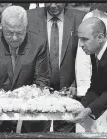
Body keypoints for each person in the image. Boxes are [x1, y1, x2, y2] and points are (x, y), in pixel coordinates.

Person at [0, 5, 50, 133]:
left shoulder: (39, 43)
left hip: (30, 114)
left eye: (20, 32)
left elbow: (42, 80)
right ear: (2, 27)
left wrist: (25, 103)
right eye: (9, 33)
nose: (15, 38)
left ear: (26, 27)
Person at [27, 3, 86, 132]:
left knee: (65, 133)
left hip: (68, 89)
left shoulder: (80, 18)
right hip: (38, 89)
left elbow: (84, 56)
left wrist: (77, 84)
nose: (53, 5)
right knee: (37, 132)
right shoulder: (30, 17)